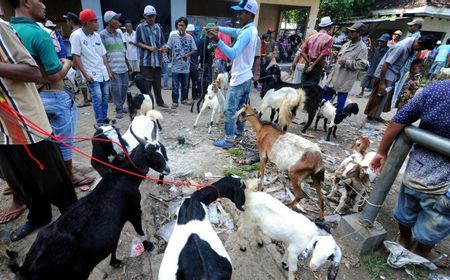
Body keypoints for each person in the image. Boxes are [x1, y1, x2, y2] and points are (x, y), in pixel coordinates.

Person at [0, 17, 77, 241]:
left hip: (26, 123)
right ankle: (39, 216)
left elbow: (33, 72)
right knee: (19, 179)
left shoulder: (2, 29)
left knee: (54, 179)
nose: (43, 5)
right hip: (3, 130)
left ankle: (72, 217)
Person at [10, 0, 94, 190]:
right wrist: (67, 63)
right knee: (64, 140)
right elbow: (55, 73)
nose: (45, 5)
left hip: (30, 98)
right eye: (40, 0)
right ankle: (69, 174)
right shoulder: (38, 34)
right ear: (26, 2)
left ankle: (39, 176)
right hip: (55, 94)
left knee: (41, 140)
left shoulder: (9, 31)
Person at [370, 80, 450, 268]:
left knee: (406, 209)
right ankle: (423, 249)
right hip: (445, 182)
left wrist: (382, 151)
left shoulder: (436, 89)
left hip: (416, 169)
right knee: (437, 220)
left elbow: (400, 119)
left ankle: (404, 240)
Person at [207, 0, 258, 149]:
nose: (238, 16)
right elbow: (235, 32)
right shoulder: (251, 30)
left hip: (240, 78)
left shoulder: (247, 32)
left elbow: (233, 54)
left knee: (229, 110)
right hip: (246, 76)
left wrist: (218, 40)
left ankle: (229, 140)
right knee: (241, 107)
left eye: (241, 13)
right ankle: (239, 133)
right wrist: (219, 28)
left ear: (249, 14)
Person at [364, 35, 438, 123]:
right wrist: (382, 83)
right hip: (384, 75)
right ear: (419, 42)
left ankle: (376, 116)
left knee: (384, 98)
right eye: (420, 48)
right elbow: (385, 65)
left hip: (391, 75)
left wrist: (398, 73)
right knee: (378, 97)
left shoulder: (411, 43)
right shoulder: (401, 47)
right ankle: (370, 117)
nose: (419, 50)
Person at [71, 9, 112, 125]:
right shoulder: (76, 36)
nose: (98, 24)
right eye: (95, 21)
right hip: (91, 74)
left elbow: (103, 55)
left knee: (104, 97)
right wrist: (85, 74)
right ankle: (100, 122)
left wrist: (109, 71)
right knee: (97, 98)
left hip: (103, 73)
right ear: (88, 22)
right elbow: (76, 56)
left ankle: (103, 118)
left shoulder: (97, 36)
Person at [321, 23, 368, 113]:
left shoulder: (362, 48)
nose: (349, 34)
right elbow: (340, 58)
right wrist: (336, 56)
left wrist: (346, 63)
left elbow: (362, 64)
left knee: (340, 105)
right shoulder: (346, 44)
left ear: (359, 33)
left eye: (352, 32)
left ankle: (335, 121)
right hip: (334, 76)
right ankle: (322, 115)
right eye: (349, 32)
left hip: (345, 79)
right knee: (323, 99)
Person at [100, 11, 131, 120]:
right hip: (113, 68)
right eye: (116, 19)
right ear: (109, 21)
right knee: (115, 90)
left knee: (123, 89)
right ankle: (118, 109)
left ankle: (121, 106)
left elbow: (123, 50)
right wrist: (108, 70)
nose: (118, 22)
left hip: (123, 67)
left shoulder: (119, 33)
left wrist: (128, 65)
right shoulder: (102, 34)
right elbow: (103, 55)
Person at [136, 5, 168, 108]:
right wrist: (148, 47)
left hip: (157, 61)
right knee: (146, 86)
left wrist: (164, 48)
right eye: (149, 16)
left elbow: (163, 42)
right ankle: (147, 105)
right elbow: (137, 42)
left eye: (153, 16)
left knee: (158, 84)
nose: (151, 18)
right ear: (145, 16)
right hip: (146, 62)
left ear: (155, 16)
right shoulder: (140, 27)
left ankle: (160, 102)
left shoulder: (158, 27)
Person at [164, 17, 197, 109]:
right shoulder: (173, 37)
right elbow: (168, 48)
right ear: (177, 26)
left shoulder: (190, 37)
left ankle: (184, 99)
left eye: (182, 25)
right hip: (175, 67)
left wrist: (187, 55)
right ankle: (175, 102)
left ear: (186, 26)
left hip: (186, 67)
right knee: (175, 85)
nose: (180, 27)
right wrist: (164, 50)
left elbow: (194, 49)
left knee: (185, 85)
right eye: (179, 25)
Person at [64, 11, 91, 108]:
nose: (67, 24)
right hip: (88, 61)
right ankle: (91, 97)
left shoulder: (74, 34)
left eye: (67, 21)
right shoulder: (82, 31)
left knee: (80, 80)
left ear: (71, 21)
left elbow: (76, 53)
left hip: (80, 61)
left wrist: (74, 66)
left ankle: (86, 100)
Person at [301, 16, 334, 84]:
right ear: (329, 26)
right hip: (318, 65)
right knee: (312, 88)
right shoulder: (329, 38)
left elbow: (302, 51)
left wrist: (309, 63)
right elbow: (323, 54)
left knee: (302, 86)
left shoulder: (311, 37)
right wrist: (313, 66)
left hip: (308, 64)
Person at [358, 33, 390, 97]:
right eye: (380, 41)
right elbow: (372, 53)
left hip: (379, 68)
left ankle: (371, 94)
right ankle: (361, 92)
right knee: (365, 79)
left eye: (382, 41)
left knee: (374, 82)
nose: (380, 43)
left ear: (386, 42)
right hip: (372, 66)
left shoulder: (388, 50)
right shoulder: (377, 48)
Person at [186, 23, 200, 100]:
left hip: (190, 63)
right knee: (194, 80)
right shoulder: (197, 39)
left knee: (187, 81)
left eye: (188, 31)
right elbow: (199, 53)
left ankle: (185, 97)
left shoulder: (188, 39)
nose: (187, 33)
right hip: (194, 63)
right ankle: (194, 96)